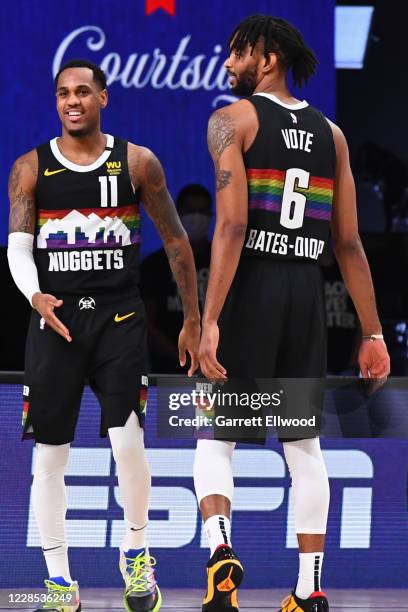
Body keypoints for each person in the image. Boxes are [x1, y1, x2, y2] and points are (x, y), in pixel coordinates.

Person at [194, 14, 390, 612]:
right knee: (305, 448)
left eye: (237, 53)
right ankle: (309, 589)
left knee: (213, 437)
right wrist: (373, 332)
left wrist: (209, 320)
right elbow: (350, 245)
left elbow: (231, 224)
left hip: (250, 286)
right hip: (306, 293)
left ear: (268, 56)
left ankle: (221, 550)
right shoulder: (332, 136)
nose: (228, 64)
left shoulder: (232, 120)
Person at [7, 58, 200, 612]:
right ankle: (60, 583)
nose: (73, 101)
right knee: (50, 458)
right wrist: (34, 295)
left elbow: (177, 244)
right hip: (56, 323)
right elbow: (20, 251)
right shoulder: (29, 168)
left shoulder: (137, 162)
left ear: (104, 99)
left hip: (119, 320)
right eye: (64, 93)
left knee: (129, 445)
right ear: (56, 101)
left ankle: (136, 557)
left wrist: (191, 319)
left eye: (83, 92)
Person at [141, 184, 212, 373]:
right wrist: (180, 358)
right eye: (190, 211)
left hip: (214, 365)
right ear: (178, 214)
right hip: (167, 369)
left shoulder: (221, 262)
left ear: (212, 216)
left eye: (203, 211)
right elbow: (147, 323)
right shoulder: (154, 264)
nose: (197, 217)